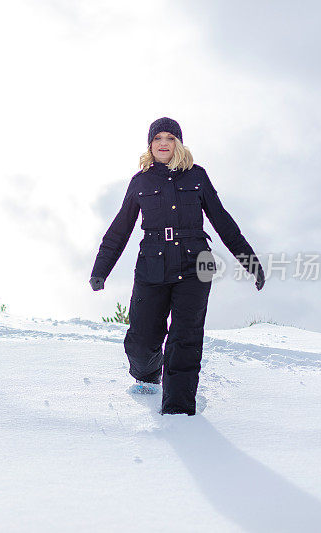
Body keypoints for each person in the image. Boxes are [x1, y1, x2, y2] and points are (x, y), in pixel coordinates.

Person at [89, 117, 265, 416]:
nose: (163, 143)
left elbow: (222, 221)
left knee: (185, 338)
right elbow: (120, 229)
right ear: (150, 144)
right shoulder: (140, 181)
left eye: (170, 138)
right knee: (142, 339)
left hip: (196, 264)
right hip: (152, 266)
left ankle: (179, 411)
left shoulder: (197, 176)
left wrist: (249, 261)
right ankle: (147, 376)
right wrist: (100, 269)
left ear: (178, 143)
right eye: (158, 138)